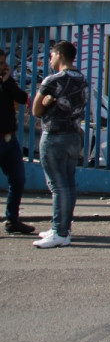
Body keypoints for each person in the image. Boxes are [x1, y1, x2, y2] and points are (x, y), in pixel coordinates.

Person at [31, 40, 89, 248]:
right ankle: (63, 226)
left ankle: (60, 232)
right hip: (73, 136)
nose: (50, 59)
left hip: (54, 136)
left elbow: (35, 110)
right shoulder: (82, 80)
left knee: (58, 185)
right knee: (68, 183)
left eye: (52, 55)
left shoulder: (53, 80)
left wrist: (46, 103)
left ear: (60, 55)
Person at [0, 48, 35, 235]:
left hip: (9, 139)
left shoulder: (6, 82)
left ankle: (12, 220)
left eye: (4, 63)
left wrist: (7, 82)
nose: (3, 66)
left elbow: (22, 98)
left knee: (18, 179)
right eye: (0, 63)